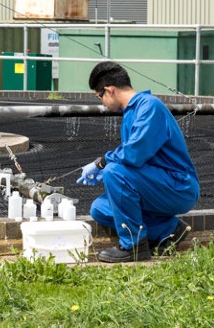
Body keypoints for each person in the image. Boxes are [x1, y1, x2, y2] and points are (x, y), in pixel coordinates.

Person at [77, 61, 199, 263]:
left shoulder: (149, 106)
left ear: (110, 90)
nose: (102, 103)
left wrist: (102, 163)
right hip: (158, 184)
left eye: (100, 97)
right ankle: (168, 230)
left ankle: (133, 245)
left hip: (178, 186)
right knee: (99, 209)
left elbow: (134, 154)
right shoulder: (132, 113)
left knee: (114, 172)